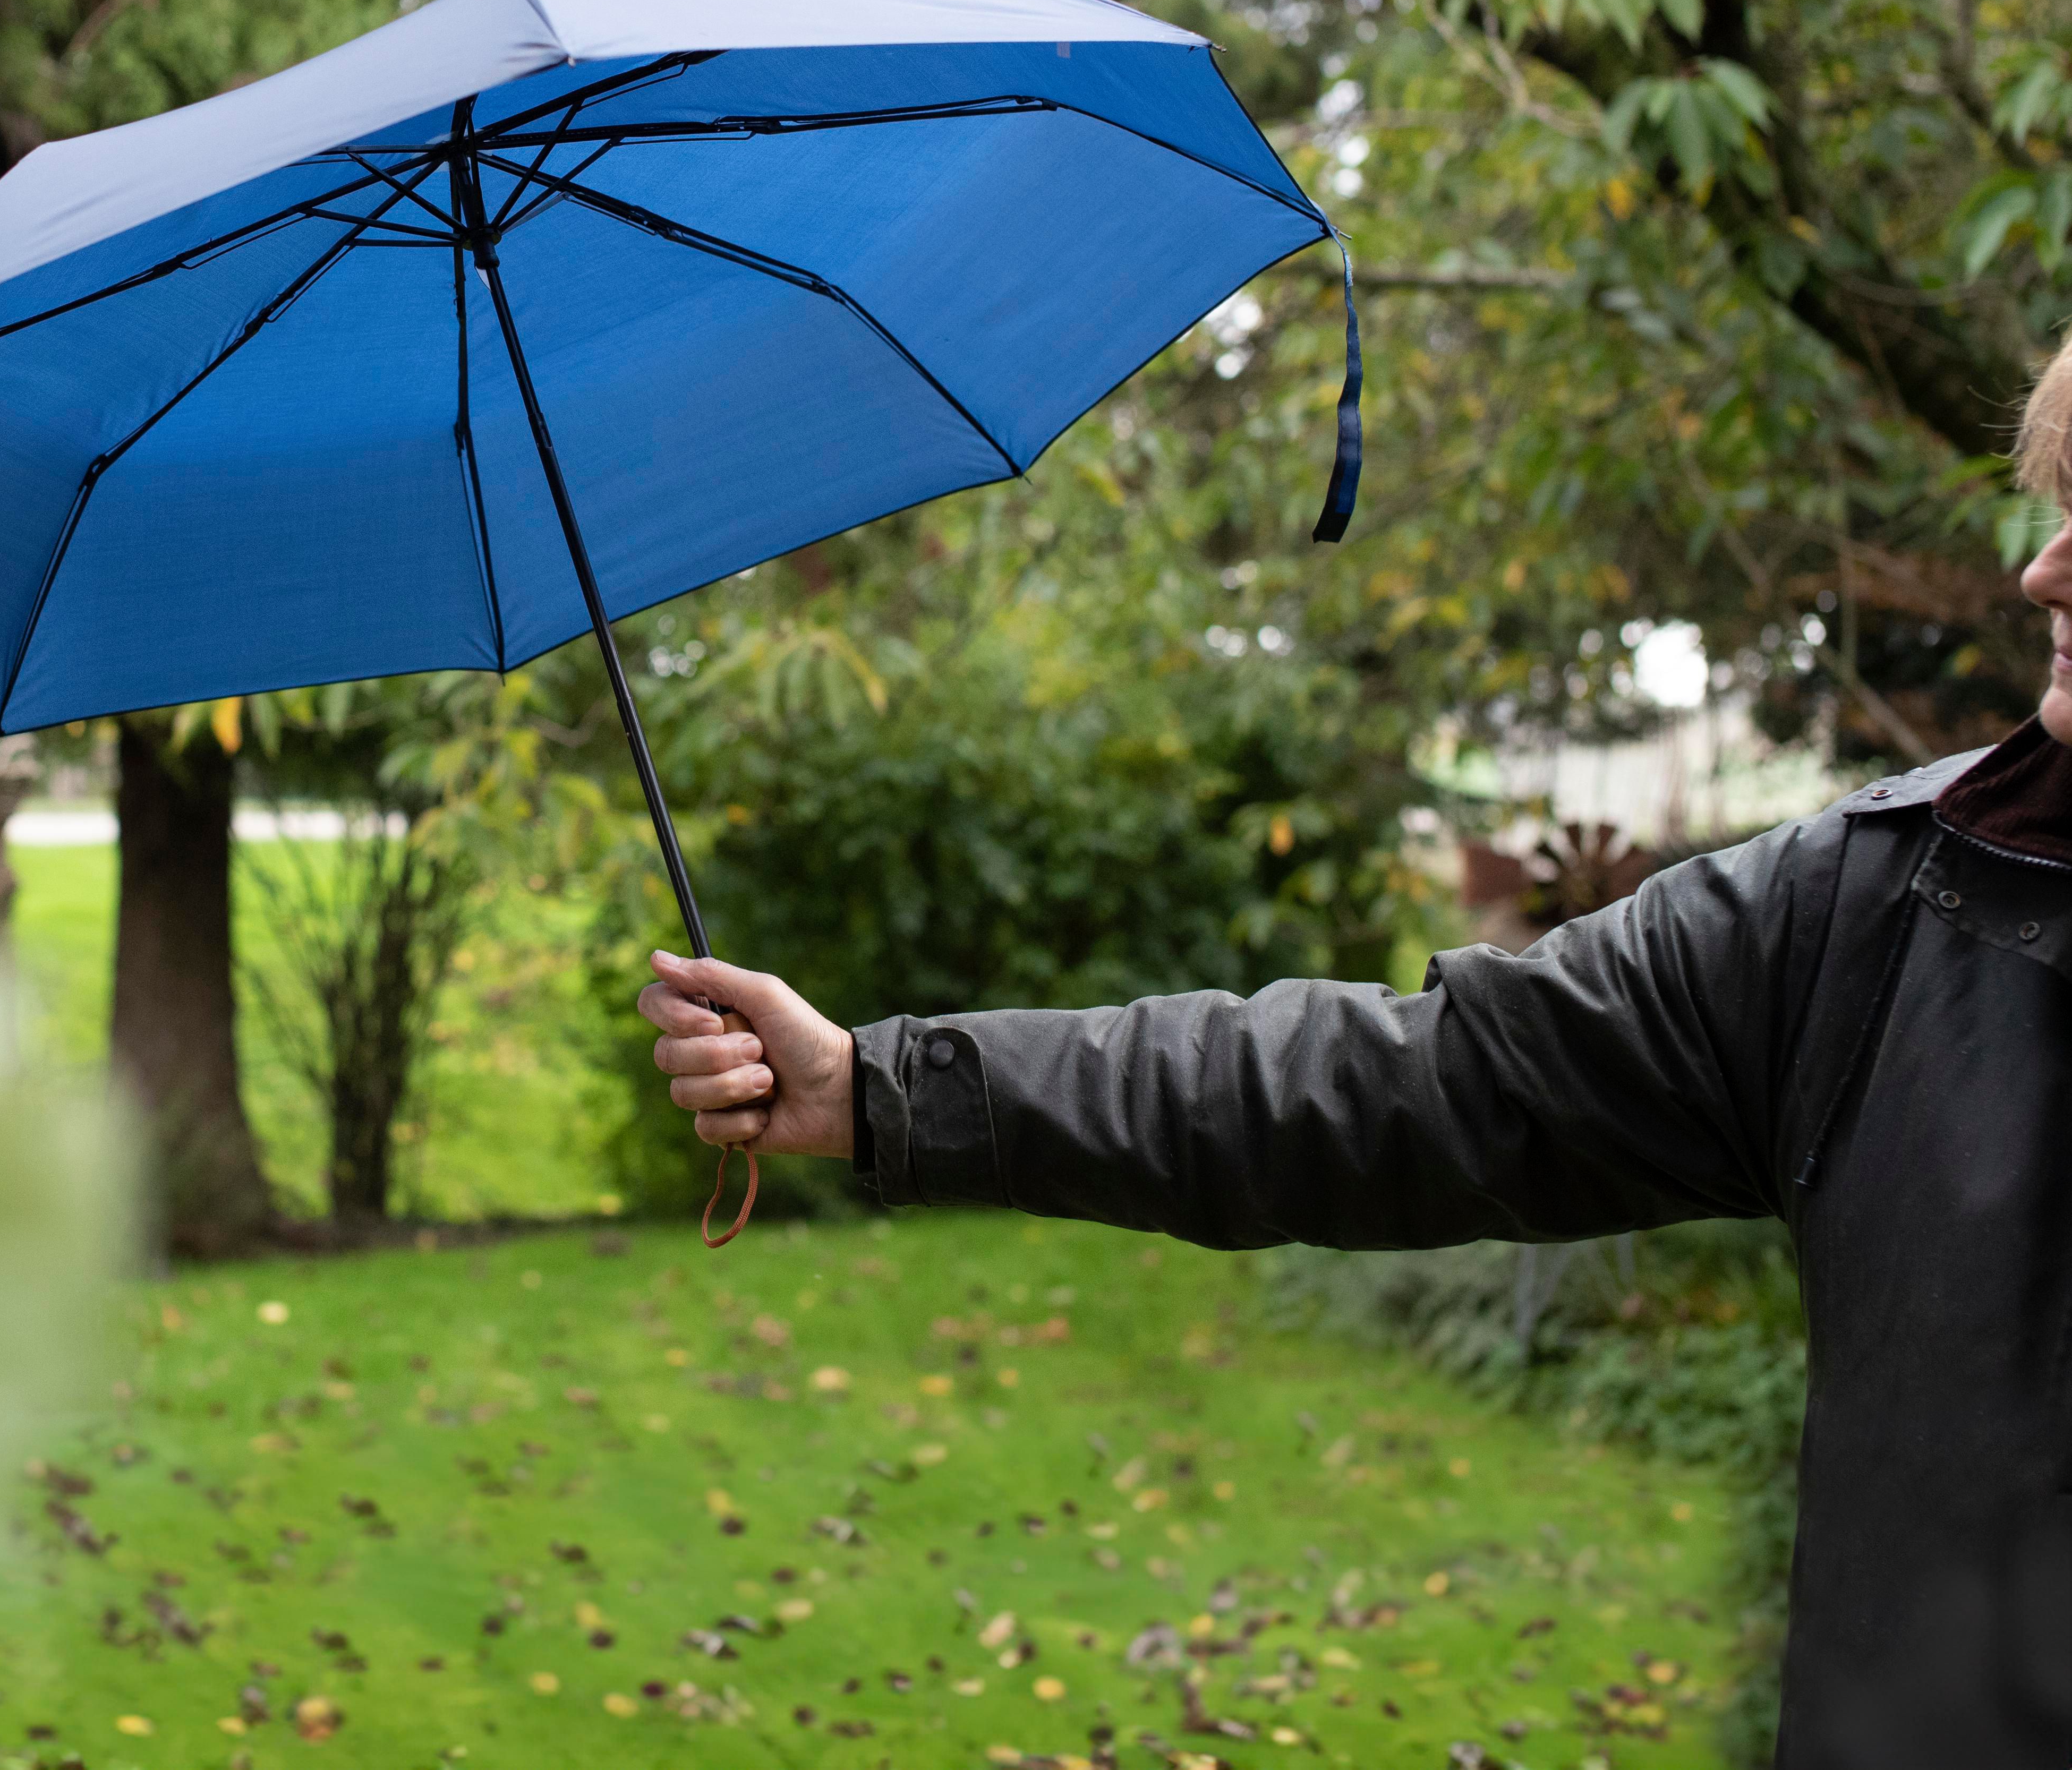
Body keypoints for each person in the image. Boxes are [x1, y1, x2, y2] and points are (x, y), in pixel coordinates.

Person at [637, 364, 2072, 1769]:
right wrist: (883, 1090)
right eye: (2059, 507)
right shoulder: (1877, 915)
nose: (2044, 573)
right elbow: (1391, 1083)